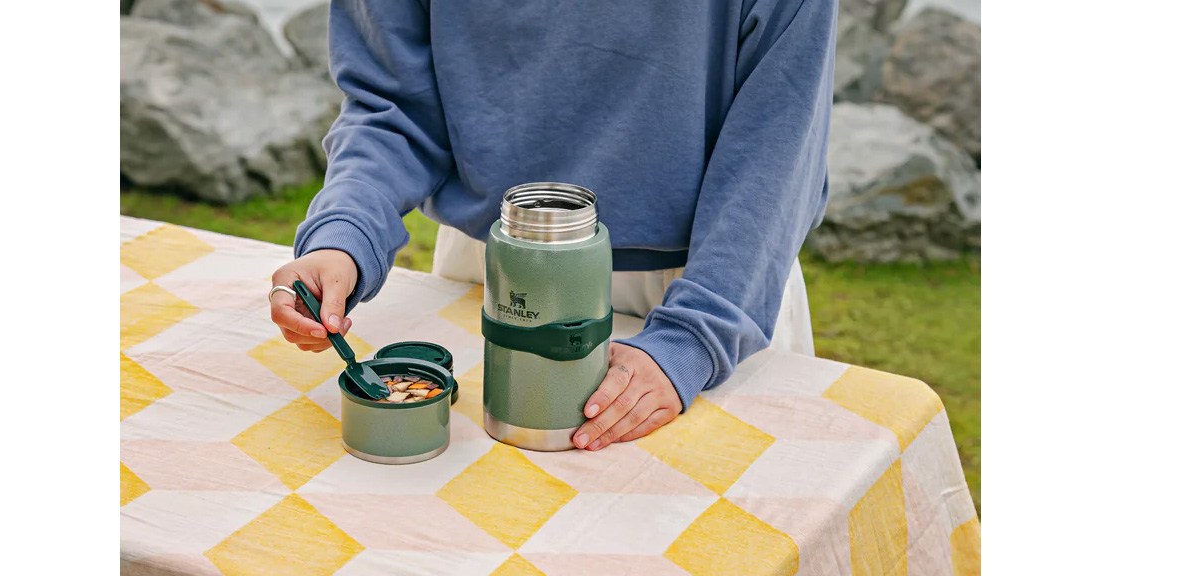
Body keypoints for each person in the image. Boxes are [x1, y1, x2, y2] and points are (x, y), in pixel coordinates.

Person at [268, 0, 836, 451]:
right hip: (488, 274)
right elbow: (391, 104)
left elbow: (779, 140)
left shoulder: (703, 321)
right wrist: (344, 236)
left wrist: (693, 338)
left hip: (706, 294)